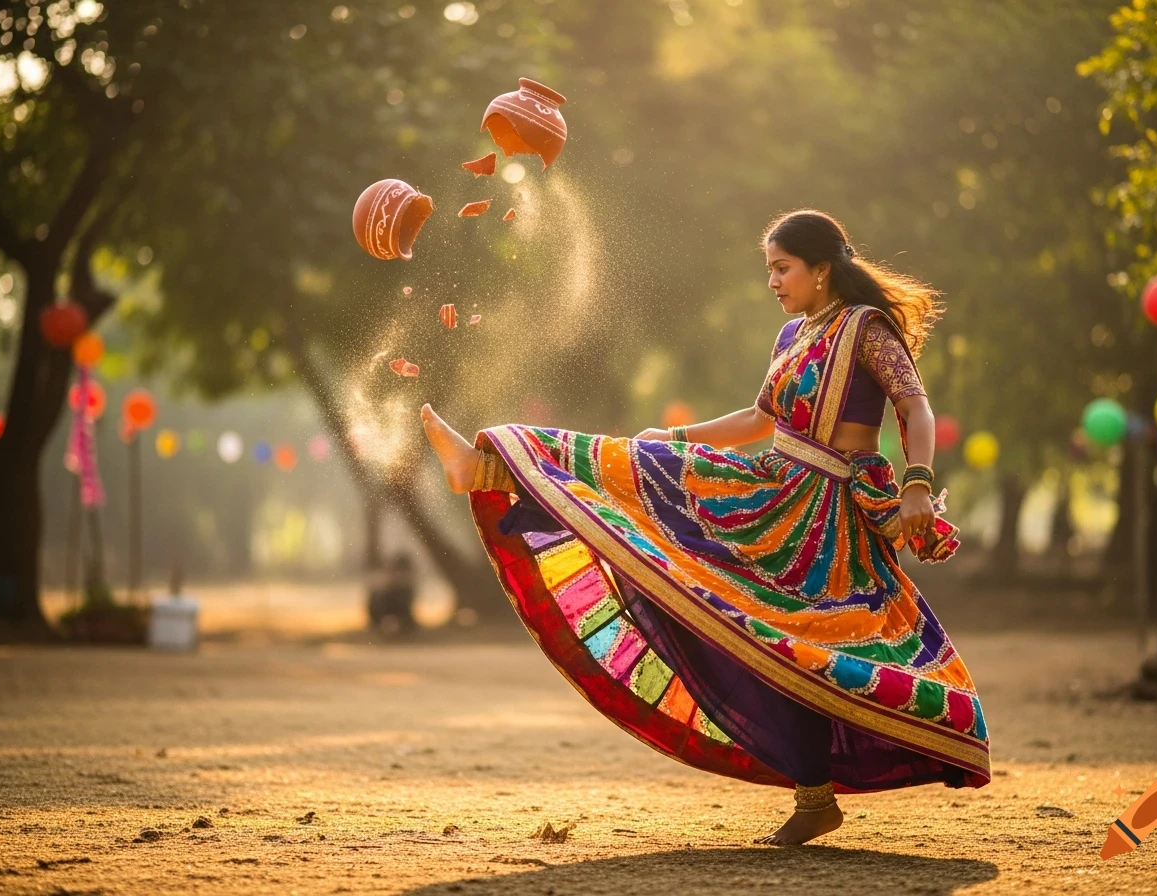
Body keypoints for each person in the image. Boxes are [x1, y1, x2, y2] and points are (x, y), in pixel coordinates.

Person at [420, 209, 990, 846]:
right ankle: (493, 471)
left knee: (799, 649)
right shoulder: (791, 337)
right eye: (769, 270)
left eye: (782, 268)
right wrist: (680, 434)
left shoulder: (866, 327)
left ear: (822, 270)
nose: (772, 281)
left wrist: (917, 480)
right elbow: (758, 417)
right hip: (775, 494)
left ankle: (814, 798)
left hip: (826, 522)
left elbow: (914, 403)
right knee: (653, 475)